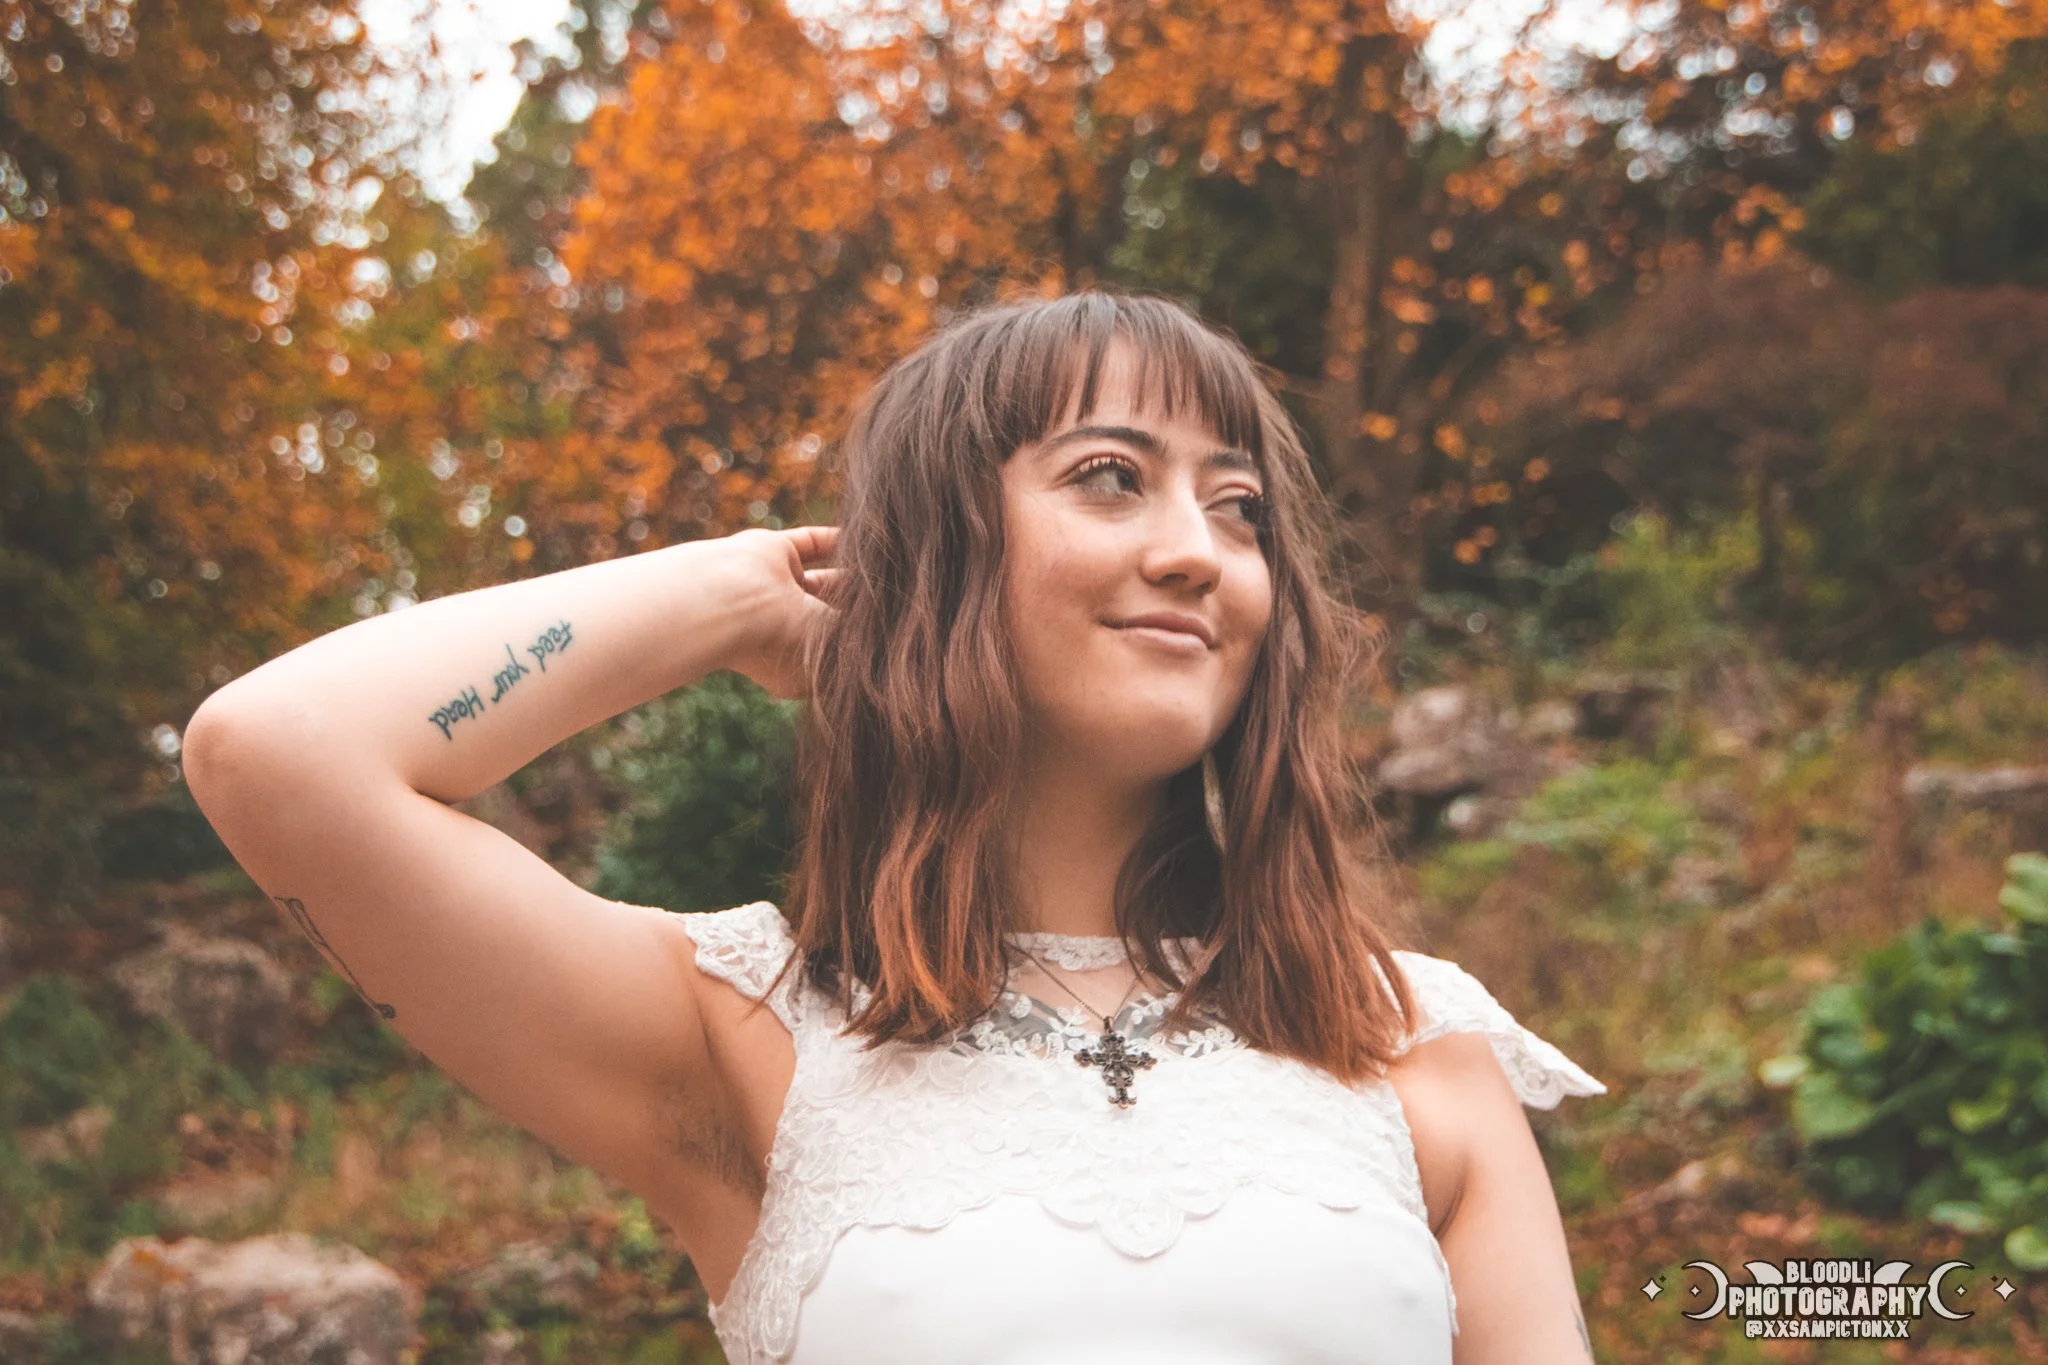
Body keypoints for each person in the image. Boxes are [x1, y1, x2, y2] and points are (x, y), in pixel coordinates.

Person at [183, 290, 1608, 1364]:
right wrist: (735, 598)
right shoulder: (746, 1038)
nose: (1199, 550)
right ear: (941, 557)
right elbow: (281, 756)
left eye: (1239, 509)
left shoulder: (1407, 1046)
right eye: (1111, 476)